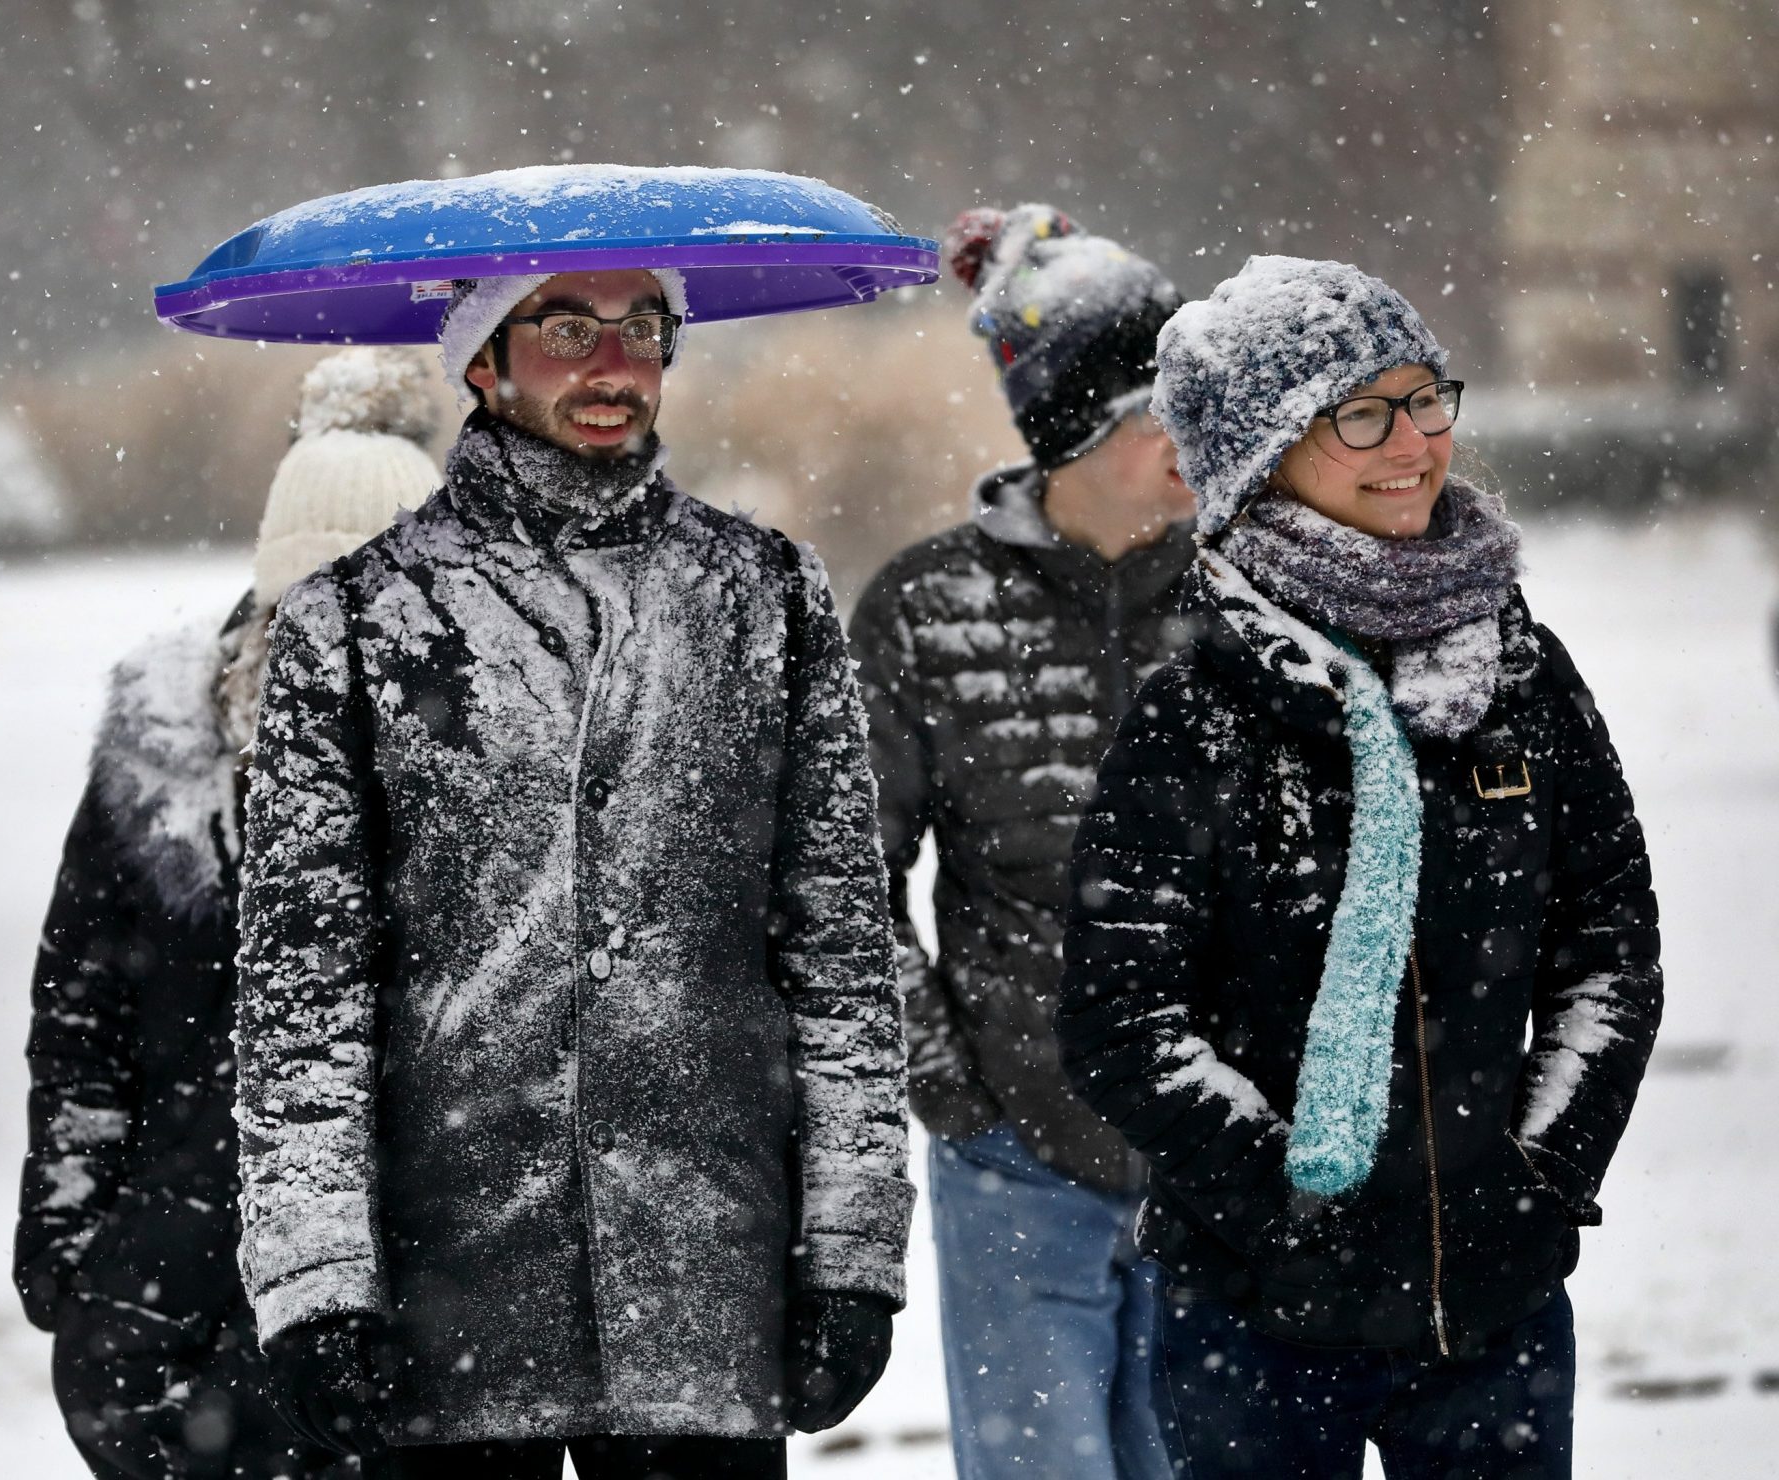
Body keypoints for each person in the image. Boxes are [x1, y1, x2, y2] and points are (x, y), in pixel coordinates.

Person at [233, 262, 913, 1480]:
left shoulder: (763, 595)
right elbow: (302, 998)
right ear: (479, 363)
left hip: (706, 1279)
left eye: (642, 327)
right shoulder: (358, 616)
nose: (613, 363)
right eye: (563, 329)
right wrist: (316, 1277)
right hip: (446, 1289)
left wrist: (851, 1247)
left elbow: (841, 959)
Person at [1055, 255, 1663, 1478]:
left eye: (1425, 397)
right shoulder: (1197, 711)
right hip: (1254, 1325)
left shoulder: (1521, 675)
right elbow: (1121, 1020)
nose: (1413, 442)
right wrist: (1288, 1205)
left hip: (1491, 1319)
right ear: (1257, 454)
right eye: (1359, 413)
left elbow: (1608, 953)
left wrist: (1540, 1174)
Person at [15, 346, 451, 1479]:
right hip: (171, 1265)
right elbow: (83, 1007)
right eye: (309, 595)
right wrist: (69, 1208)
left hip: (406, 1273)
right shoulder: (162, 763)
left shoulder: (479, 761)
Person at [847, 203, 1191, 1480]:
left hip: (1218, 1164)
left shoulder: (1244, 598)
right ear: (1073, 427)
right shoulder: (925, 610)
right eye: (1158, 403)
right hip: (1015, 1162)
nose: (1190, 431)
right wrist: (955, 1095)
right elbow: (840, 885)